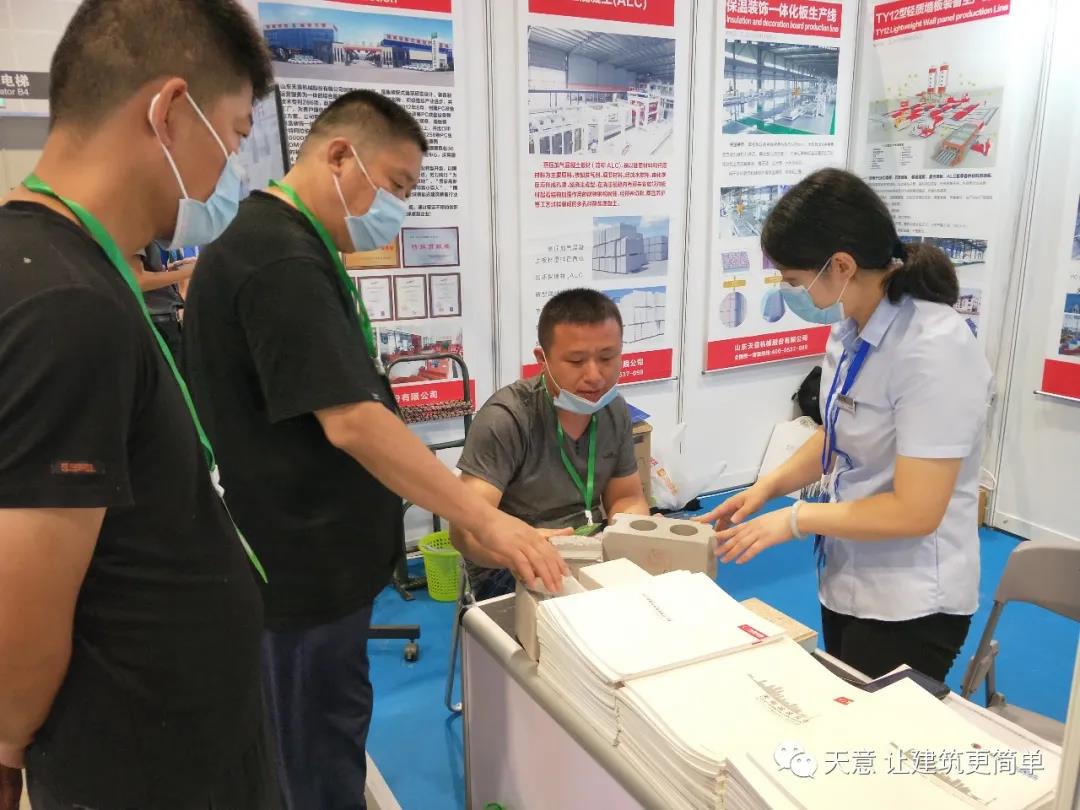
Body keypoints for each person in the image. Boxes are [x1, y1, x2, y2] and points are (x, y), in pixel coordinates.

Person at [181, 89, 566, 810]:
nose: (398, 208)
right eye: (396, 185)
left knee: (324, 739)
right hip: (299, 574)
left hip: (316, 567)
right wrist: (487, 520)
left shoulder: (293, 248)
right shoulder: (279, 257)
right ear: (339, 156)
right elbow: (354, 421)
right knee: (313, 755)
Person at [0, 1, 281, 808]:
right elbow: (18, 630)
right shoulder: (65, 305)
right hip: (147, 768)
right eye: (233, 134)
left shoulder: (56, 266)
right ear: (169, 112)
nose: (231, 168)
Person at [699, 168, 992, 682]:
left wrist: (796, 520)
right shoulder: (850, 328)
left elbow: (917, 510)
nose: (791, 292)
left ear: (841, 265)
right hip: (847, 575)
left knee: (878, 724)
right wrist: (767, 487)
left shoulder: (934, 350)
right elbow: (838, 430)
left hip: (912, 598)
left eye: (795, 281)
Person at [452, 288, 652, 600]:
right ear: (542, 360)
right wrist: (524, 548)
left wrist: (633, 533)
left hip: (591, 548)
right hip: (509, 564)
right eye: (576, 360)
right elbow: (465, 531)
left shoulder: (613, 410)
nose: (595, 376)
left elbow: (627, 497)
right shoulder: (507, 418)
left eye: (607, 357)